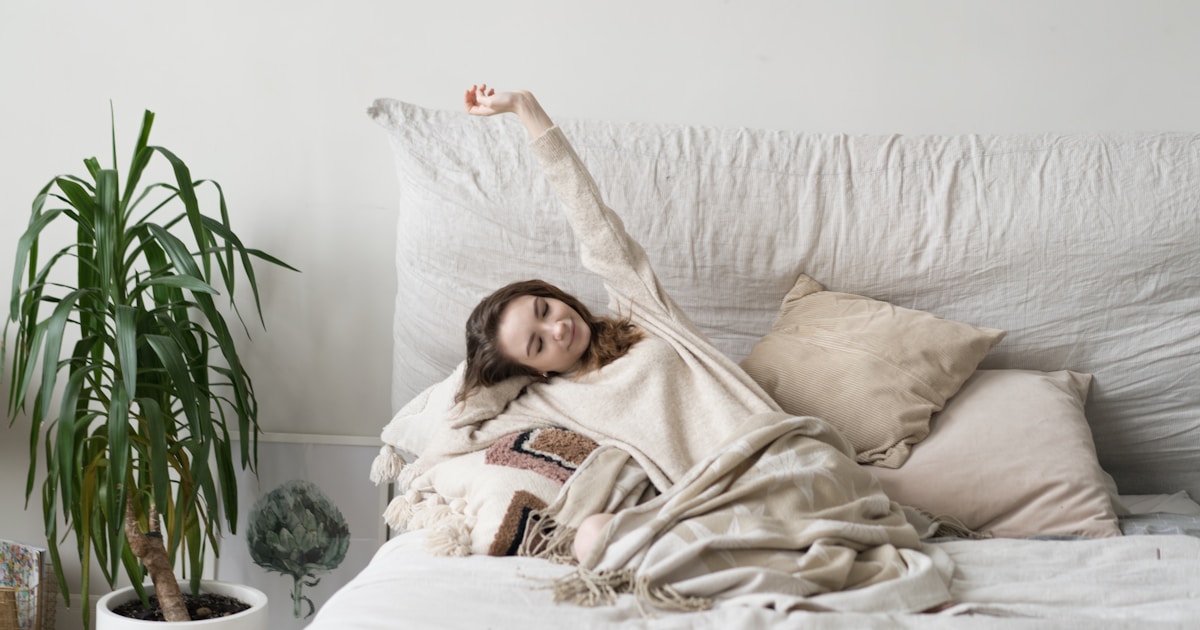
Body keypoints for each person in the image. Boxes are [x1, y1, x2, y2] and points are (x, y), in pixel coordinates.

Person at [457, 84, 786, 562]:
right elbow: (454, 429)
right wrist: (490, 373)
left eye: (545, 310)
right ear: (534, 371)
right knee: (594, 537)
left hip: (776, 452)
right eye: (536, 344)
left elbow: (591, 218)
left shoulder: (641, 311)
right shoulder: (551, 399)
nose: (557, 328)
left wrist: (525, 108)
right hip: (718, 504)